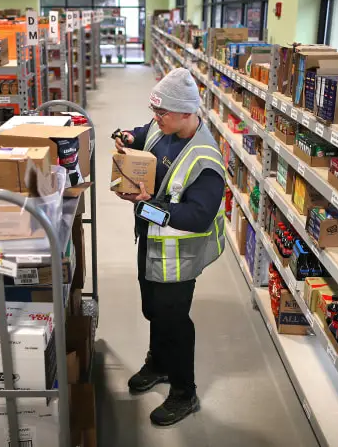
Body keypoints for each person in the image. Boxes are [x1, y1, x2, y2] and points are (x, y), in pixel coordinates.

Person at [114, 67, 226, 426]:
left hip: (179, 256)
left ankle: (184, 392)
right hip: (151, 243)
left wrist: (144, 204)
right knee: (153, 309)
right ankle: (159, 363)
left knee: (174, 319)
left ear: (186, 112)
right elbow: (144, 134)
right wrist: (127, 136)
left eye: (162, 113)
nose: (155, 119)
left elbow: (196, 218)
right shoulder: (163, 130)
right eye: (154, 111)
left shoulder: (206, 160)